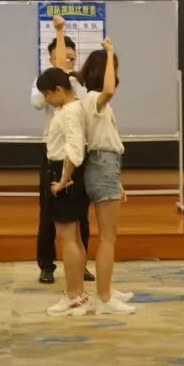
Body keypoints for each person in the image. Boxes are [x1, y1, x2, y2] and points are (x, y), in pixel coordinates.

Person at [50, 18, 134, 313]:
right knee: (108, 237)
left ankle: (105, 290)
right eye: (113, 68)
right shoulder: (96, 98)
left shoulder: (87, 99)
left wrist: (60, 32)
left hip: (104, 165)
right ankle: (105, 298)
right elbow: (108, 88)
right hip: (103, 163)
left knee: (106, 236)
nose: (116, 74)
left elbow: (62, 69)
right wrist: (110, 52)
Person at [36, 17, 90, 317]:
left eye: (48, 95)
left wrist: (63, 179)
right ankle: (78, 293)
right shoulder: (71, 106)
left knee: (68, 238)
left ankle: (72, 296)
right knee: (75, 237)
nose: (47, 100)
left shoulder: (69, 111)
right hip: (64, 173)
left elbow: (74, 150)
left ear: (59, 89)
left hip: (63, 174)